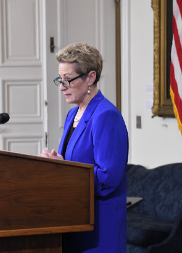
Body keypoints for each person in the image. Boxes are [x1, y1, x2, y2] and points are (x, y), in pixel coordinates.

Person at [40, 43, 128, 253]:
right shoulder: (73, 114)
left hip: (99, 225)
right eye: (59, 80)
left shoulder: (106, 115)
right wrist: (56, 164)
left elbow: (108, 179)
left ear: (90, 77)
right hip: (75, 218)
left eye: (67, 80)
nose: (62, 87)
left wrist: (66, 169)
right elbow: (77, 163)